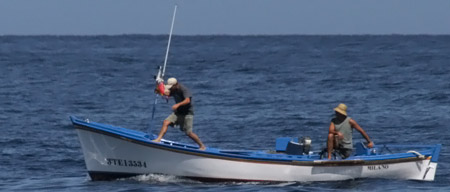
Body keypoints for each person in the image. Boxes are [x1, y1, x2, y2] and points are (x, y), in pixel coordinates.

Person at [152, 77, 206, 150]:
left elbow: (187, 100)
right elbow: (165, 93)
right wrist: (158, 87)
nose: (170, 88)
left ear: (176, 85)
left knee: (188, 133)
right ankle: (158, 139)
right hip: (178, 112)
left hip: (187, 114)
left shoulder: (183, 89)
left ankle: (201, 145)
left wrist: (178, 105)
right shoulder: (173, 89)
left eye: (171, 87)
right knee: (166, 122)